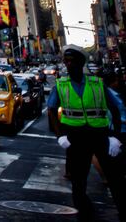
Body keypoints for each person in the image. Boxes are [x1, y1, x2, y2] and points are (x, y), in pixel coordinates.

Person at [47, 45, 124, 218]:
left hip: (100, 136)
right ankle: (86, 215)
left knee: (116, 180)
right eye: (65, 61)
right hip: (76, 138)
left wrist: (115, 137)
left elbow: (115, 109)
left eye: (71, 61)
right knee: (78, 183)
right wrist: (61, 136)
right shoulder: (61, 85)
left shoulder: (97, 83)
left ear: (81, 62)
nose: (68, 64)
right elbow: (51, 110)